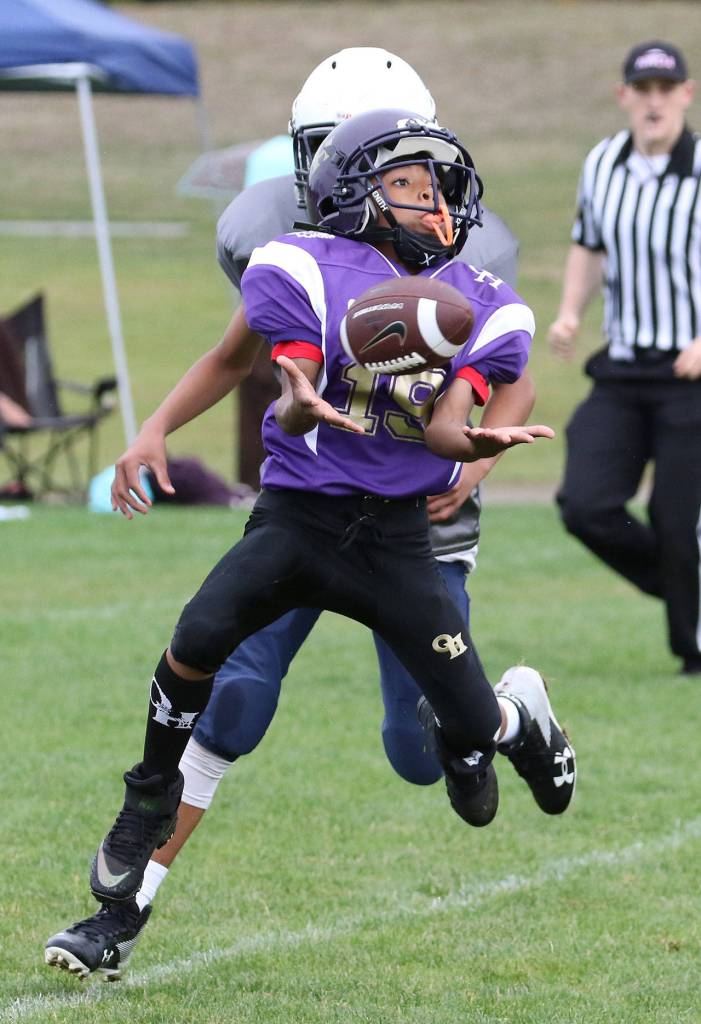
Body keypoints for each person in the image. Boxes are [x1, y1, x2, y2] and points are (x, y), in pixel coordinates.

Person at [45, 108, 576, 981]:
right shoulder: (294, 259)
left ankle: (514, 718)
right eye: (408, 182)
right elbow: (263, 375)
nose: (433, 199)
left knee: (443, 744)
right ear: (348, 184)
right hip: (298, 516)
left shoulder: (478, 292)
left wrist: (472, 452)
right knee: (216, 676)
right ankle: (122, 898)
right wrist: (200, 421)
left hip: (401, 536)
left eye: (436, 181)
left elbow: (454, 424)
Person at [548, 40, 701, 676]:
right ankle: (686, 592)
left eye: (666, 89)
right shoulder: (602, 163)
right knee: (585, 504)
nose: (654, 100)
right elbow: (589, 244)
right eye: (643, 88)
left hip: (692, 374)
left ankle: (693, 648)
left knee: (676, 517)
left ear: (686, 96)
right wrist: (569, 311)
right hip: (624, 365)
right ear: (624, 97)